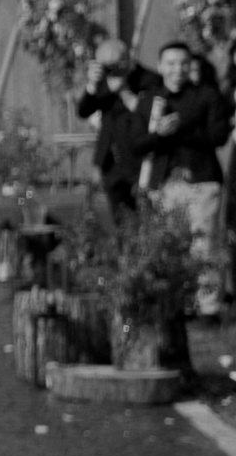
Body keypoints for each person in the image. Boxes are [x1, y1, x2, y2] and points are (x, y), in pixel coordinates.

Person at [138, 39, 231, 317]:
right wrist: (159, 135)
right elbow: (136, 143)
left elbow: (219, 136)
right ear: (160, 66)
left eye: (183, 63)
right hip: (165, 183)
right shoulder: (151, 99)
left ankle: (209, 307)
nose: (177, 69)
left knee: (204, 246)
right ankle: (178, 304)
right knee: (171, 246)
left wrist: (180, 131)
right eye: (170, 63)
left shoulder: (207, 96)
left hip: (202, 181)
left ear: (191, 66)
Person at [76, 39, 155, 215]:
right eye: (106, 66)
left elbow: (149, 116)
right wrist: (92, 86)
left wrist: (124, 91)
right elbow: (83, 111)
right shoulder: (103, 81)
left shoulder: (147, 80)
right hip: (111, 163)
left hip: (139, 161)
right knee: (121, 219)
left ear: (127, 59)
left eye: (115, 64)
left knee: (144, 217)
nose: (112, 70)